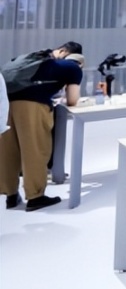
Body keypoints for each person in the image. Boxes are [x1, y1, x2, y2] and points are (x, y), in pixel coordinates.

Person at [0, 42, 84, 211]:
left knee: (8, 150)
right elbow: (72, 100)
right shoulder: (72, 67)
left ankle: (10, 196)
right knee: (35, 149)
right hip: (32, 105)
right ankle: (35, 197)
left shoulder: (31, 60)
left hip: (4, 104)